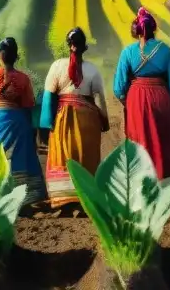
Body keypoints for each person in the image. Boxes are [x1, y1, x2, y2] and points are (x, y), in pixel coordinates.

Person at [0, 37, 47, 204]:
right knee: (24, 153)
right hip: (17, 121)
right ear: (16, 57)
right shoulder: (23, 79)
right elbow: (28, 105)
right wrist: (31, 129)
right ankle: (25, 194)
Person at [113, 6, 170, 179]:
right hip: (162, 97)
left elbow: (119, 87)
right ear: (153, 28)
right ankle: (166, 179)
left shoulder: (128, 52)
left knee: (140, 140)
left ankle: (142, 180)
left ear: (136, 31)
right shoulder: (165, 50)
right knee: (165, 140)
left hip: (136, 98)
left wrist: (127, 101)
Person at [39, 27, 109, 208]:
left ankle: (64, 196)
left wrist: (46, 124)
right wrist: (104, 121)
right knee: (85, 154)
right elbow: (99, 98)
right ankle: (84, 194)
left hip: (64, 117)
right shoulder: (92, 69)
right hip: (88, 119)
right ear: (83, 46)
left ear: (68, 45)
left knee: (64, 154)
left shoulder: (56, 66)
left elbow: (48, 96)